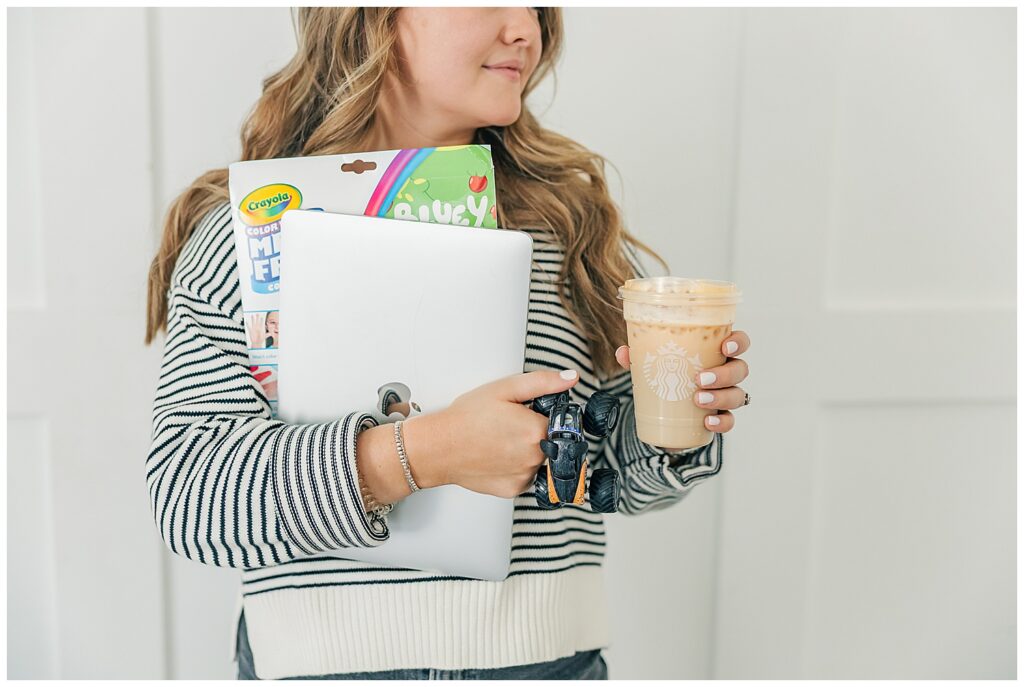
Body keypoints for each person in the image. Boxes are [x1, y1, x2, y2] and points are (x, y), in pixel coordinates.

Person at [143, 7, 752, 681]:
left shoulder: (564, 228)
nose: (526, 28)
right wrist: (428, 451)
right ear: (374, 18)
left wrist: (674, 419)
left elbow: (604, 473)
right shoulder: (253, 235)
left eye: (534, 7)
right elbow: (190, 495)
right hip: (322, 667)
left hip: (543, 662)